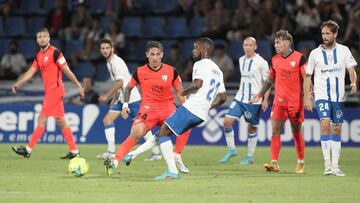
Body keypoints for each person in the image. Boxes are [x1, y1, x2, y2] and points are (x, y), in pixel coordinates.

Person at [129, 37, 227, 180]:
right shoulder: (218, 71)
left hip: (191, 108)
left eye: (195, 48)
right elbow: (223, 97)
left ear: (204, 50)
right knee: (163, 132)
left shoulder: (200, 64)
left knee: (163, 134)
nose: (193, 51)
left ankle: (172, 171)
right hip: (201, 114)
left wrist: (183, 92)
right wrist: (209, 106)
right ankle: (133, 154)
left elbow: (197, 84)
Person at [103, 41, 191, 175]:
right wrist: (125, 105)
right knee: (136, 132)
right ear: (147, 55)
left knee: (186, 126)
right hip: (148, 110)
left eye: (157, 54)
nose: (155, 57)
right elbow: (128, 88)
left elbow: (179, 91)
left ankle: (177, 154)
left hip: (167, 109)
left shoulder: (171, 71)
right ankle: (115, 161)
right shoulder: (139, 71)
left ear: (162, 55)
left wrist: (185, 106)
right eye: (152, 54)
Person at [11, 28, 85, 159]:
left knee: (41, 119)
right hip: (50, 92)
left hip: (56, 91)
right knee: (61, 122)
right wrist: (19, 82)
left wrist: (79, 86)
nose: (42, 38)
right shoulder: (38, 55)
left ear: (49, 38)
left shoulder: (56, 53)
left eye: (44, 36)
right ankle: (75, 152)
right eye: (39, 37)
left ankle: (28, 150)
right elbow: (30, 72)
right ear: (36, 40)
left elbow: (67, 70)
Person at [304, 20, 358, 176]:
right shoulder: (315, 53)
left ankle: (335, 166)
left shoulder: (344, 50)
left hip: (338, 97)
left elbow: (351, 69)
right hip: (322, 96)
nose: (325, 36)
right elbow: (308, 75)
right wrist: (307, 96)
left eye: (328, 33)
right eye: (323, 33)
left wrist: (353, 81)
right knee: (325, 124)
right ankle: (327, 165)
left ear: (335, 34)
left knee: (337, 128)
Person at [251, 30, 307, 174]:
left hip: (295, 103)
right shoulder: (274, 60)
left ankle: (301, 161)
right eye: (275, 42)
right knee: (275, 130)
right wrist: (259, 94)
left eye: (278, 42)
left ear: (287, 42)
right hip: (279, 102)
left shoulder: (300, 58)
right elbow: (270, 79)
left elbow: (306, 79)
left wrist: (307, 97)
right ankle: (274, 163)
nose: (275, 45)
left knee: (296, 132)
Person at [97, 38, 161, 161]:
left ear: (112, 49)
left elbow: (121, 82)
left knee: (143, 126)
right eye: (102, 48)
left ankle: (156, 152)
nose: (105, 51)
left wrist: (107, 96)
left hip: (132, 98)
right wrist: (114, 98)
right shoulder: (109, 63)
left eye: (107, 48)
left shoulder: (116, 62)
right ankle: (111, 151)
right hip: (122, 98)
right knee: (107, 120)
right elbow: (118, 82)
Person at [219, 37, 270, 165]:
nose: (247, 47)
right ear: (243, 46)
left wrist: (265, 99)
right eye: (245, 45)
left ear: (255, 46)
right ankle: (231, 150)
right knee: (226, 121)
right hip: (239, 98)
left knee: (251, 128)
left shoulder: (261, 62)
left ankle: (249, 156)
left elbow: (268, 82)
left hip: (254, 101)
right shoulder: (241, 60)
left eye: (250, 45)